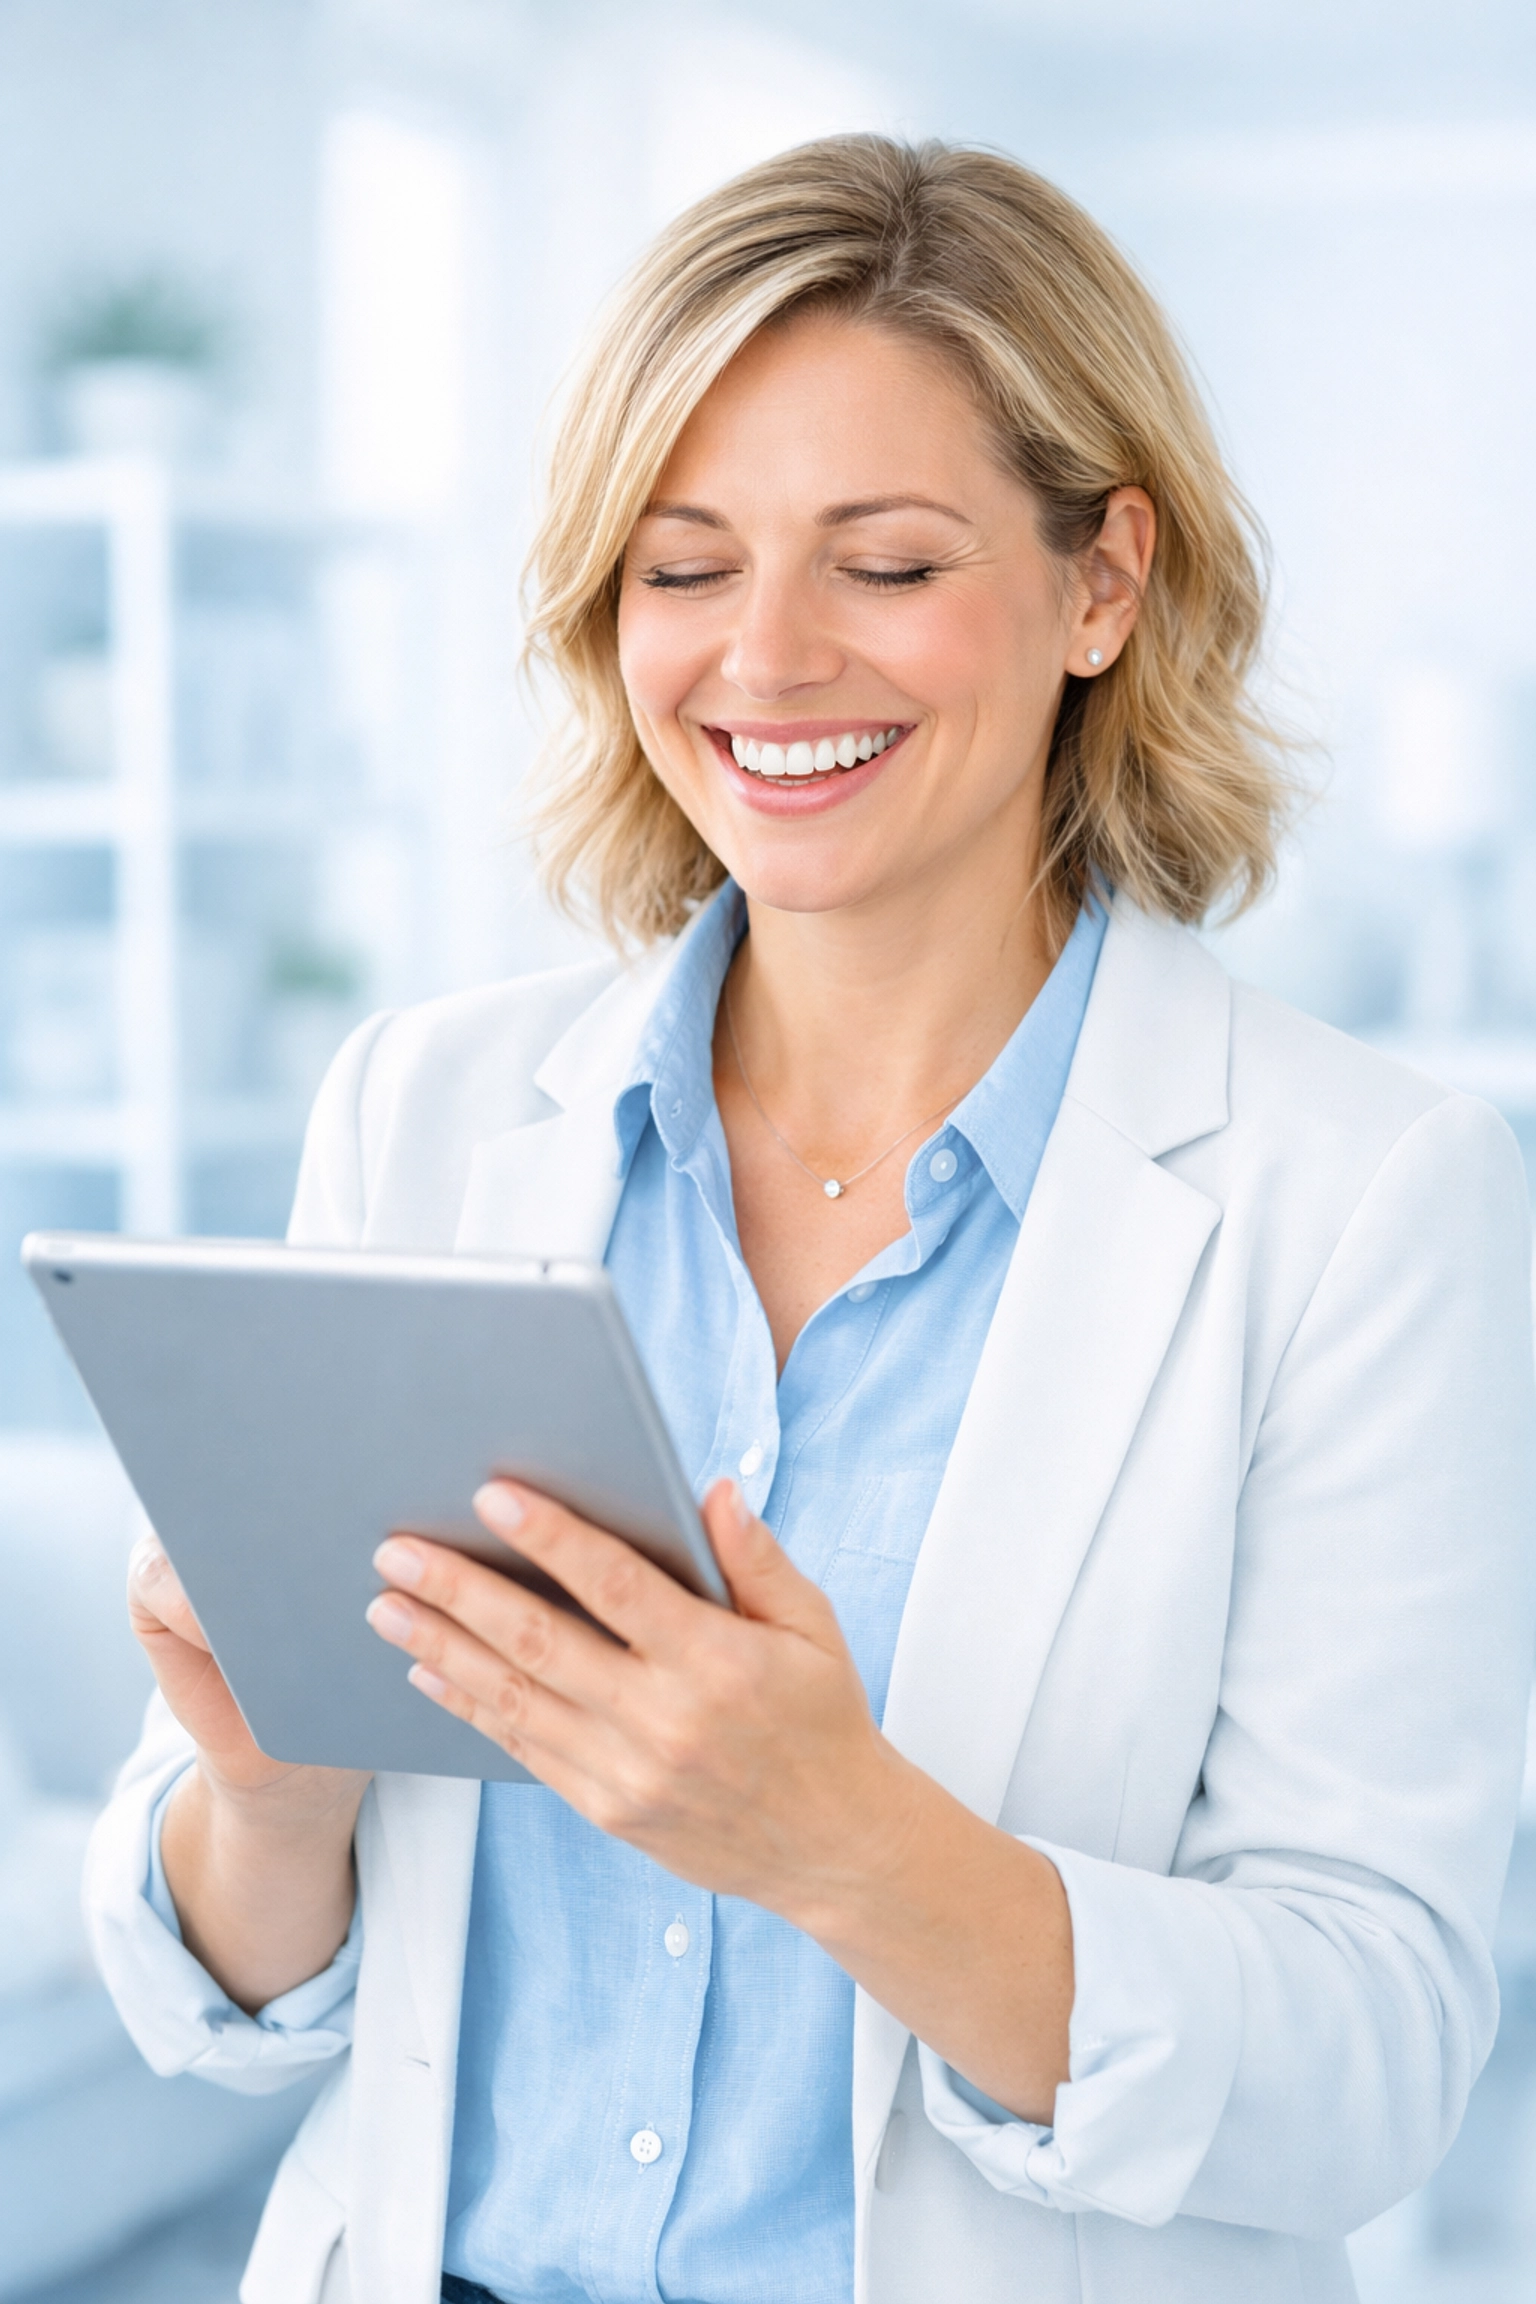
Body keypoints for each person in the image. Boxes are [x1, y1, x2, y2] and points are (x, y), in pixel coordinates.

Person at [86, 137, 1535, 2304]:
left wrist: (848, 1844)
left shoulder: (1363, 1202)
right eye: (684, 568)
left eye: (882, 562)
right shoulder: (430, 1104)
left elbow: (1374, 2065)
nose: (765, 660)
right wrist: (269, 1794)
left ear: (1102, 583)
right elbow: (233, 1988)